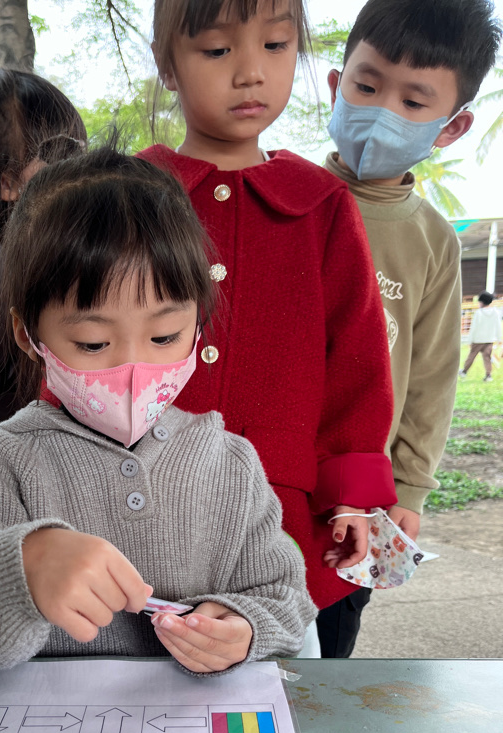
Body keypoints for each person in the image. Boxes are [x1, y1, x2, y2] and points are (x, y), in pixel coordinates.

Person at [0, 148, 316, 678]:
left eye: (164, 336)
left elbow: (286, 595)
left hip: (188, 725)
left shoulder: (231, 463)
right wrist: (23, 567)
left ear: (198, 323)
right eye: (93, 343)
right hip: (49, 726)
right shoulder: (3, 463)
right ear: (28, 335)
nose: (133, 367)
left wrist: (246, 627)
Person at [138, 0, 397, 658]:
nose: (251, 71)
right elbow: (74, 346)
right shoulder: (125, 197)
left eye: (276, 45)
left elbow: (357, 363)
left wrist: (350, 498)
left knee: (272, 694)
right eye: (217, 50)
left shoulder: (322, 206)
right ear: (168, 64)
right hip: (134, 509)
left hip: (277, 528)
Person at [322, 0, 502, 653]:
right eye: (367, 87)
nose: (382, 112)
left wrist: (411, 489)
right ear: (337, 86)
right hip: (259, 481)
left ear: (452, 128)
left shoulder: (432, 240)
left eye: (413, 101)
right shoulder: (281, 198)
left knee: (327, 659)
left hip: (358, 504)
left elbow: (430, 377)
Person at [0, 69, 87, 470]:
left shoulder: (83, 256)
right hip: (28, 478)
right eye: (58, 153)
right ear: (6, 183)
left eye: (80, 148)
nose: (80, 166)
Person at [461, 292, 502, 382]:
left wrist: (469, 341)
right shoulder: (495, 312)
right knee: (487, 357)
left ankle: (464, 371)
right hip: (489, 340)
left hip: (478, 340)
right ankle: (488, 375)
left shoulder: (478, 313)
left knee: (471, 356)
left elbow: (474, 328)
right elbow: (498, 326)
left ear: (481, 302)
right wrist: (499, 339)